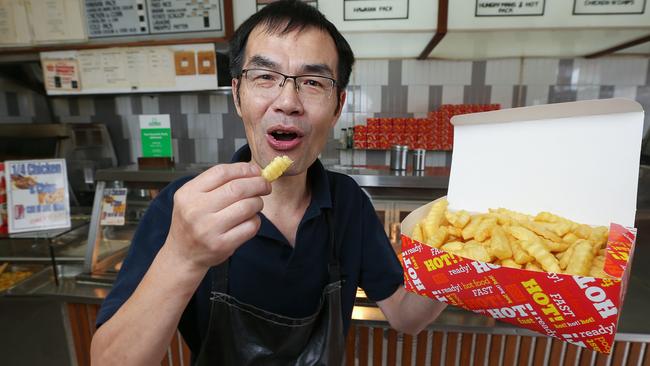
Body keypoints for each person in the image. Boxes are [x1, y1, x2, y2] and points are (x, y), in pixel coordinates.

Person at [90, 1, 446, 365]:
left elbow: (406, 317)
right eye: (265, 77)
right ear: (237, 95)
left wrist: (456, 258)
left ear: (338, 106)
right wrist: (183, 255)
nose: (288, 102)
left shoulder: (348, 202)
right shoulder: (182, 207)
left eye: (312, 82)